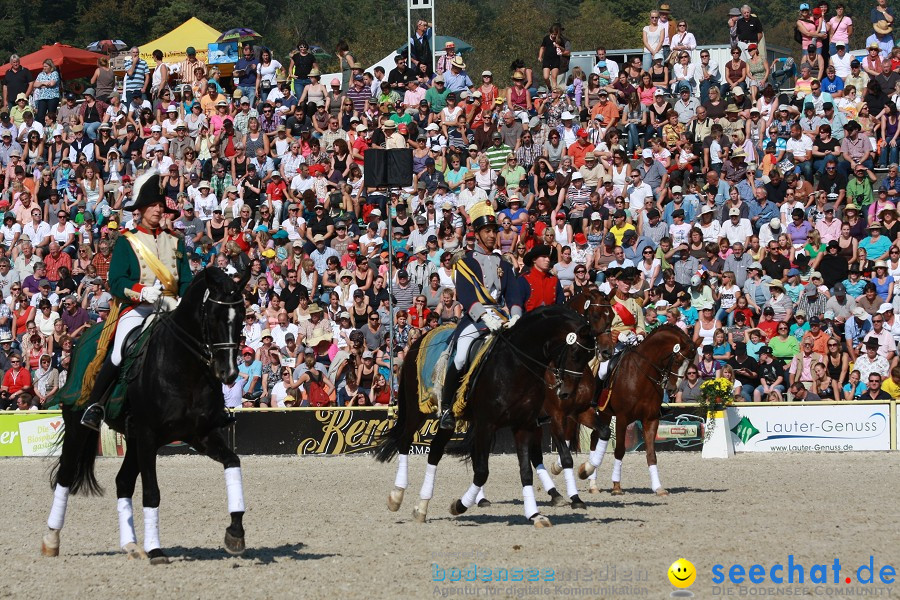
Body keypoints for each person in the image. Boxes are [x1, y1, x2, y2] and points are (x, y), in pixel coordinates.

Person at [79, 170, 193, 431]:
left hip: (171, 307)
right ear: (140, 209)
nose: (158, 209)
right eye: (153, 204)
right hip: (138, 308)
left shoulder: (175, 242)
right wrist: (141, 291)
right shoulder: (126, 242)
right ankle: (95, 405)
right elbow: (117, 281)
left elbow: (185, 279)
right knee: (120, 351)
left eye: (161, 205)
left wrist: (185, 300)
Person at [438, 203, 523, 430]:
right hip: (476, 319)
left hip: (501, 315)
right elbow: (465, 295)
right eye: (487, 231)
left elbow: (513, 293)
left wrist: (515, 314)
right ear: (477, 234)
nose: (492, 234)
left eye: (494, 230)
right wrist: (484, 317)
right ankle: (447, 407)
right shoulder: (464, 263)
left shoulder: (504, 262)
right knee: (461, 356)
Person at [519, 245, 564, 311]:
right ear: (534, 260)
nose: (548, 260)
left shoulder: (554, 280)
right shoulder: (523, 280)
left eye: (548, 257)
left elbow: (560, 304)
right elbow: (518, 304)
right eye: (544, 257)